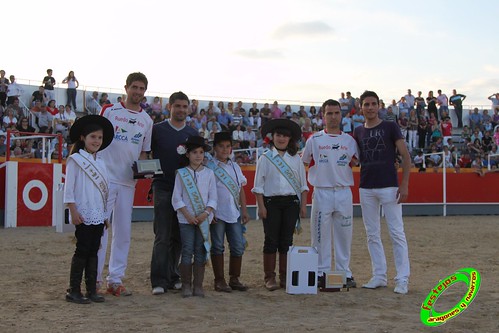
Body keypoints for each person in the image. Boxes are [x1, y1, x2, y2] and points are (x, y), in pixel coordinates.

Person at [97, 72, 153, 297]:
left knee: (123, 232)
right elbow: (96, 139)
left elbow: (143, 153)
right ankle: (95, 279)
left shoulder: (147, 120)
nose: (137, 92)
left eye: (141, 89)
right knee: (99, 229)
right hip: (105, 178)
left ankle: (115, 280)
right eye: (134, 87)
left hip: (128, 183)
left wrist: (147, 171)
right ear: (126, 88)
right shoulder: (109, 111)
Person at [353, 90, 411, 295]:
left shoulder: (390, 126)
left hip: (389, 186)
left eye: (373, 104)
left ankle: (402, 278)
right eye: (366, 104)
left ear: (379, 106)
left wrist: (403, 185)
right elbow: (356, 158)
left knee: (396, 232)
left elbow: (405, 156)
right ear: (361, 107)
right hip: (366, 186)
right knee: (372, 234)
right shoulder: (357, 131)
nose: (370, 107)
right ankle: (379, 275)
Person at [301, 99, 358, 289]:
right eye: (329, 113)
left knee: (344, 234)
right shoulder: (314, 140)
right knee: (319, 235)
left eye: (336, 113)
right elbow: (305, 162)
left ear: (341, 115)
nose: (333, 117)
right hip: (322, 192)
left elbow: (357, 162)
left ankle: (344, 273)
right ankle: (320, 272)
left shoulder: (349, 141)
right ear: (323, 116)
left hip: (343, 192)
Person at [150, 91, 199, 295]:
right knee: (162, 235)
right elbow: (146, 155)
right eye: (177, 106)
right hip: (163, 187)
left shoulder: (193, 134)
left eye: (184, 106)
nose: (181, 110)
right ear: (169, 107)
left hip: (185, 191)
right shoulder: (157, 130)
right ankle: (158, 281)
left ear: (188, 109)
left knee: (180, 235)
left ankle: (173, 276)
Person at [252, 119, 308, 291]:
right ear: (272, 137)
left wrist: (303, 206)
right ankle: (269, 277)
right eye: (278, 135)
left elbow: (303, 185)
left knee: (287, 241)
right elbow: (258, 186)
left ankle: (285, 276)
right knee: (271, 240)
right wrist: (261, 207)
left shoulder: (296, 159)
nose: (281, 139)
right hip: (271, 203)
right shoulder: (265, 158)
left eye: (285, 136)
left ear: (290, 139)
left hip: (291, 203)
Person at [64, 114, 114, 304]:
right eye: (93, 137)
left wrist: (105, 216)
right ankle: (74, 290)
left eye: (100, 138)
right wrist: (73, 211)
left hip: (98, 214)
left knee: (94, 250)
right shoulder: (75, 160)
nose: (97, 141)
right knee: (82, 250)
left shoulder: (101, 162)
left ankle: (91, 289)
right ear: (83, 138)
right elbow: (69, 190)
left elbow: (105, 191)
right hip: (83, 213)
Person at [172, 135, 217, 297]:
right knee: (187, 249)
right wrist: (188, 215)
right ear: (187, 154)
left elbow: (213, 198)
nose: (198, 155)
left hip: (204, 219)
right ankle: (186, 285)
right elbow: (176, 198)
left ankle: (198, 285)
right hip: (186, 219)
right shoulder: (181, 174)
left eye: (201, 152)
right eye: (195, 152)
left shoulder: (210, 174)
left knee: (200, 250)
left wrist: (205, 213)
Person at [207, 131, 250, 293]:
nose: (225, 150)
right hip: (217, 213)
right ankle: (219, 280)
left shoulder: (235, 167)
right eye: (221, 146)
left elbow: (240, 190)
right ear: (214, 148)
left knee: (238, 246)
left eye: (228, 146)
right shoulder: (209, 167)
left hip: (234, 213)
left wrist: (244, 210)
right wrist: (210, 212)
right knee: (218, 246)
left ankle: (234, 278)